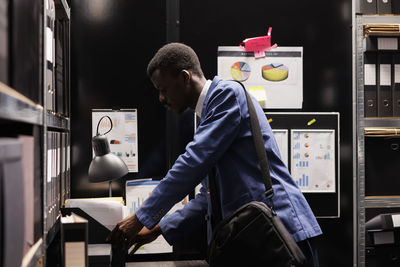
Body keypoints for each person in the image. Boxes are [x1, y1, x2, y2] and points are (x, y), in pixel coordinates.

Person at [107, 42, 322, 266]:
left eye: (164, 89)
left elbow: (193, 161)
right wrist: (158, 228)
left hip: (282, 235)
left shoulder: (227, 95)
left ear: (184, 77)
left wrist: (141, 217)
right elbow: (208, 197)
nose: (161, 98)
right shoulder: (207, 114)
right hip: (259, 239)